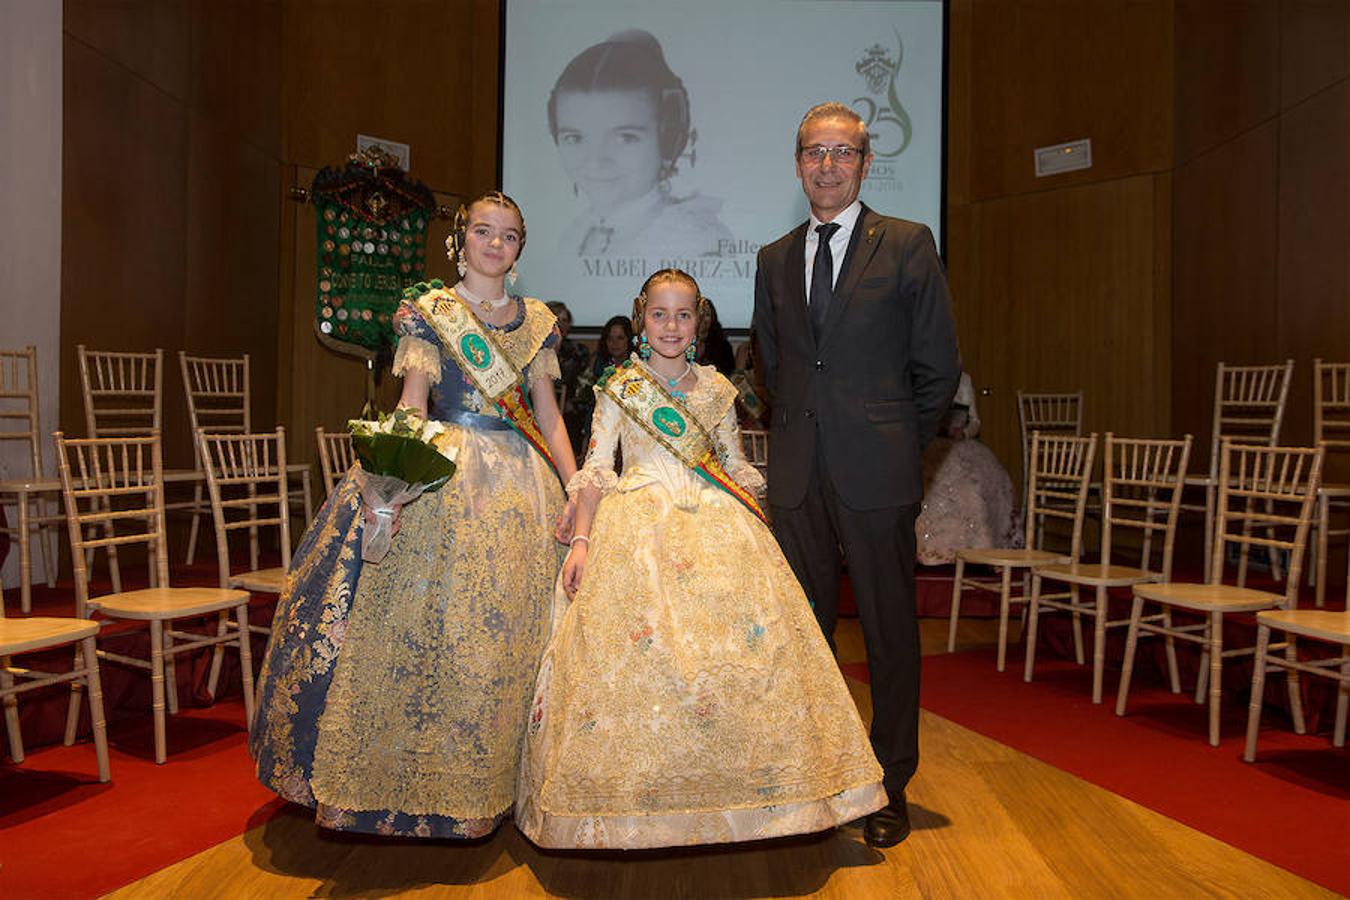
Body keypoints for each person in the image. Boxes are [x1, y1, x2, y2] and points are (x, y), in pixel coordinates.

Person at [517, 269, 885, 850]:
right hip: (637, 526)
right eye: (659, 314)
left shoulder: (715, 389)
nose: (671, 326)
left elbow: (734, 465)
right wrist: (583, 541)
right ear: (643, 319)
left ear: (699, 323)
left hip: (715, 523)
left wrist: (757, 510)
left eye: (683, 315)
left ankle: (749, 793)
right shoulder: (620, 388)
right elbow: (596, 471)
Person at [250, 191, 578, 839]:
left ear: (520, 249)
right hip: (447, 473)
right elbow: (413, 404)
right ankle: (415, 780)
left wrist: (579, 489)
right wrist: (390, 481)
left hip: (521, 486)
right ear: (459, 241)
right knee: (429, 624)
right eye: (482, 231)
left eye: (508, 235)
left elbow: (548, 415)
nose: (494, 243)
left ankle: (504, 778)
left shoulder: (536, 321)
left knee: (507, 631)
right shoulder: (429, 313)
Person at [752, 102, 960, 848]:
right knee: (804, 636)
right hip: (800, 473)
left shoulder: (907, 244)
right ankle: (815, 781)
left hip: (878, 473)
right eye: (815, 152)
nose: (828, 165)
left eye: (843, 153)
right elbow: (774, 365)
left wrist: (896, 441)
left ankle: (888, 784)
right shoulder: (774, 256)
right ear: (798, 163)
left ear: (866, 165)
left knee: (888, 633)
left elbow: (938, 367)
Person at [548, 30, 732, 261]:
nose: (596, 160)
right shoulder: (572, 237)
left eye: (625, 138)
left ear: (668, 138)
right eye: (575, 138)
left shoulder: (698, 242)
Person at [916, 372, 1020, 565]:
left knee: (974, 485)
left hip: (960, 444)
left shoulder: (965, 380)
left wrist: (963, 432)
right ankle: (930, 547)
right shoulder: (922, 378)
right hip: (932, 444)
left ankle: (976, 545)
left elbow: (975, 422)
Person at [546, 300, 591, 456]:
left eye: (565, 320)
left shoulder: (579, 351)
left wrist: (571, 404)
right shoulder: (533, 352)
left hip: (570, 416)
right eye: (556, 320)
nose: (560, 325)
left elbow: (586, 386)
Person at [696, 297, 736, 376]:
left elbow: (728, 372)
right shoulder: (685, 342)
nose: (703, 319)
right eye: (700, 315)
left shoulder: (723, 345)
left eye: (707, 315)